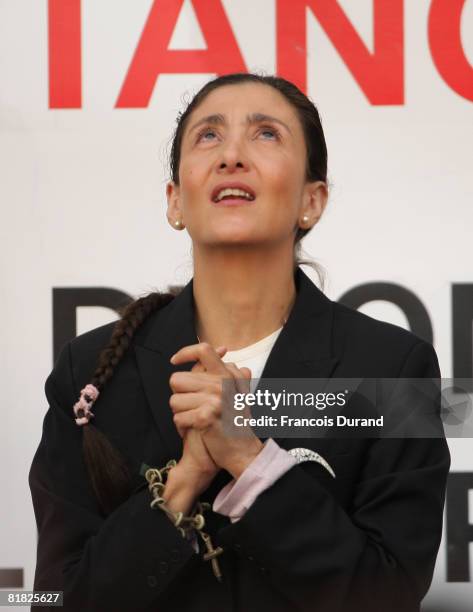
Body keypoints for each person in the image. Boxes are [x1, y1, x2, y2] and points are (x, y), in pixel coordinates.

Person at [28, 72, 450, 612]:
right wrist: (181, 484)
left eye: (266, 134)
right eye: (208, 136)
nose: (231, 155)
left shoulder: (394, 369)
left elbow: (387, 597)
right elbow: (53, 601)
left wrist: (251, 462)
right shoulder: (86, 370)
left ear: (312, 201)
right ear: (175, 201)